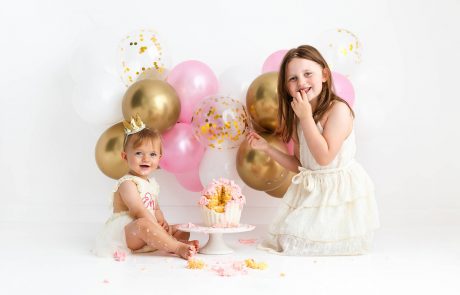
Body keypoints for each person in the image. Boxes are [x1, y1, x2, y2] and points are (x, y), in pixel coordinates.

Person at [249, 45, 379, 256]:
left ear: (325, 74)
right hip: (312, 191)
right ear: (286, 87)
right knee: (287, 241)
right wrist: (266, 148)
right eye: (292, 79)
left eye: (308, 74)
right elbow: (301, 164)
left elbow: (324, 157)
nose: (301, 82)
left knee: (312, 246)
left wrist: (306, 117)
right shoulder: (300, 115)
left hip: (337, 194)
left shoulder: (338, 110)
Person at [94, 115, 198, 260]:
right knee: (143, 224)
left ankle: (168, 241)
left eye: (152, 154)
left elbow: (155, 209)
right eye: (138, 153)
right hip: (128, 232)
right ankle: (176, 247)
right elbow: (139, 210)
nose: (146, 159)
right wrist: (156, 226)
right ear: (124, 156)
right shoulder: (127, 183)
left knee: (183, 228)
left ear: (159, 159)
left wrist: (163, 223)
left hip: (148, 228)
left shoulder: (151, 184)